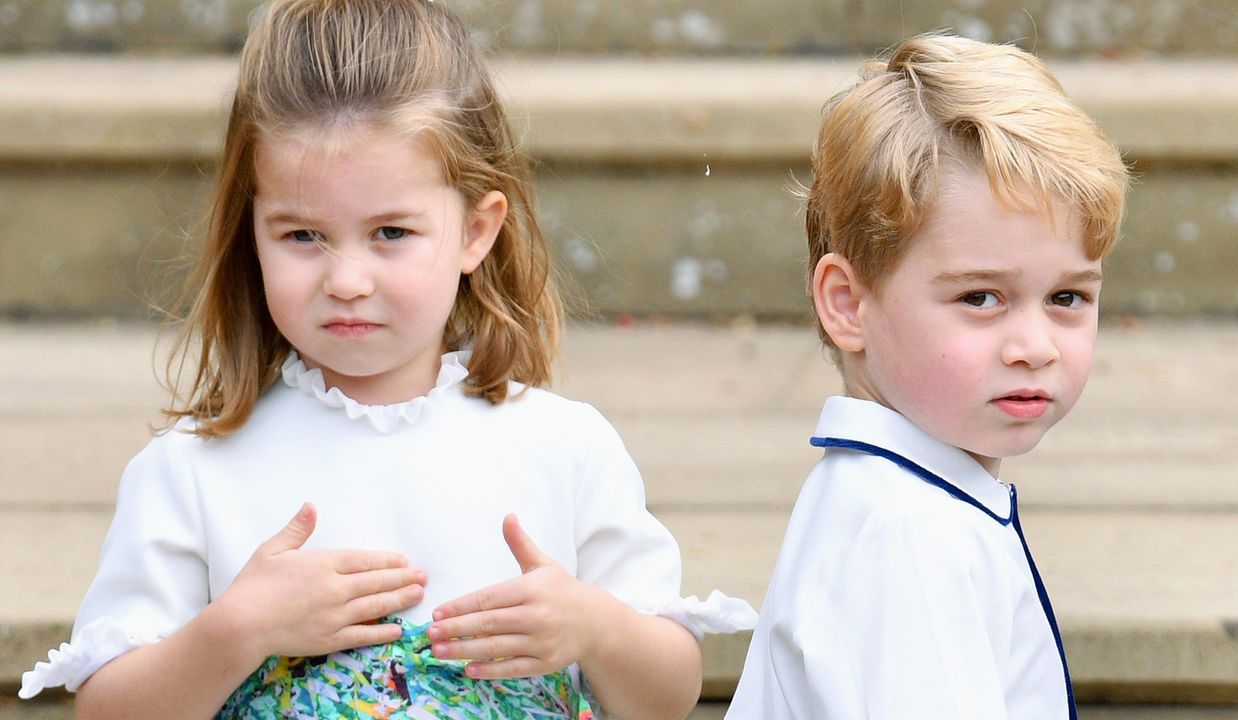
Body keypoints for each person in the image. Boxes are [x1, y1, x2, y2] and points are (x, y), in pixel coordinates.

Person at [20, 1, 755, 717]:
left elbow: (667, 695)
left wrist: (595, 628)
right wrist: (236, 631)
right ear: (250, 232)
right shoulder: (193, 472)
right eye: (302, 235)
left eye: (392, 233)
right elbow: (107, 709)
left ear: (475, 230)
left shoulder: (566, 449)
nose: (346, 280)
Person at [727, 34, 1129, 719]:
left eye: (1067, 297)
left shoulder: (902, 499)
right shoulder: (905, 534)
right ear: (848, 305)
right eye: (980, 298)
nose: (1034, 346)